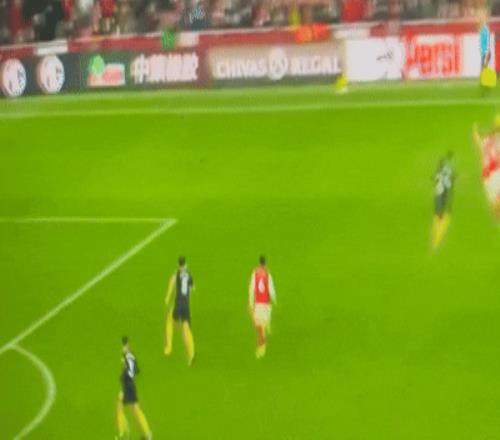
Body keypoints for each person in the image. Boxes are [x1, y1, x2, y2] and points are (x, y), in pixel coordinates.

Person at [116, 336, 152, 440]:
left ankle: (123, 434)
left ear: (127, 346)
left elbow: (132, 372)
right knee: (135, 410)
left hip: (128, 386)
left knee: (120, 407)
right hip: (129, 386)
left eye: (125, 346)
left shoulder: (129, 357)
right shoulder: (127, 357)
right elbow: (136, 370)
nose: (123, 348)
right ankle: (147, 433)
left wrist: (125, 371)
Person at [164, 256, 195, 366]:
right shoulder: (189, 275)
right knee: (186, 329)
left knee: (169, 321)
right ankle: (191, 354)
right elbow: (192, 288)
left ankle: (168, 347)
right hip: (186, 306)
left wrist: (167, 296)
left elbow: (172, 282)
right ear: (186, 264)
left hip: (178, 304)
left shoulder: (176, 274)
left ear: (179, 265)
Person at [248, 255, 277, 359]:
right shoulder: (267, 274)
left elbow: (252, 288)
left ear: (259, 263)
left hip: (258, 303)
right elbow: (271, 289)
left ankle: (261, 348)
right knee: (262, 326)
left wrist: (250, 301)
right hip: (265, 303)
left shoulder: (254, 273)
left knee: (259, 327)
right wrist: (274, 300)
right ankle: (262, 347)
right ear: (265, 263)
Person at [473, 118, 500, 216]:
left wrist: (475, 130)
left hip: (488, 176)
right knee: (496, 203)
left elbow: (477, 139)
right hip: (497, 171)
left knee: (494, 204)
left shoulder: (485, 140)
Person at [431, 152, 455, 250]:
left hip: (439, 191)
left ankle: (439, 215)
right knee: (441, 203)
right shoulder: (444, 172)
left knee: (440, 203)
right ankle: (440, 215)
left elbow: (437, 179)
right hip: (442, 190)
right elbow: (447, 182)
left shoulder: (440, 173)